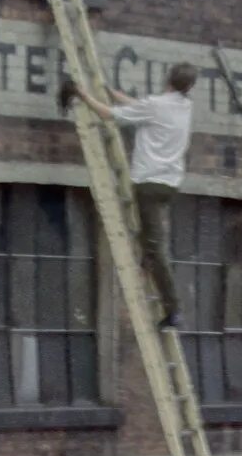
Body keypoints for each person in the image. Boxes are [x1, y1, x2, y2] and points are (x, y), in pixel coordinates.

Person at [62, 62, 199, 328]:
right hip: (170, 184)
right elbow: (144, 108)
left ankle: (174, 309)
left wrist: (83, 95)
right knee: (153, 236)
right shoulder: (185, 106)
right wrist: (115, 94)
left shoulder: (156, 105)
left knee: (156, 247)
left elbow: (108, 116)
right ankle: (147, 261)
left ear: (167, 78)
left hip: (148, 182)